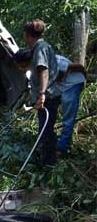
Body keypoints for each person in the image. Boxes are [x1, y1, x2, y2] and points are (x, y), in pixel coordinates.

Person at [22, 19, 61, 166]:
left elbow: (43, 71)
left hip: (48, 96)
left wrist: (42, 94)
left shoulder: (40, 48)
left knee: (45, 132)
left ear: (28, 35)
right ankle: (49, 163)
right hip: (49, 96)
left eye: (24, 35)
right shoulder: (41, 47)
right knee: (47, 130)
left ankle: (48, 165)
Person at [54, 55, 86, 156]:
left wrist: (84, 75)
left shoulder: (56, 62)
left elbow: (79, 67)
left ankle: (62, 147)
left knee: (68, 117)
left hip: (73, 84)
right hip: (59, 87)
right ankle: (51, 141)